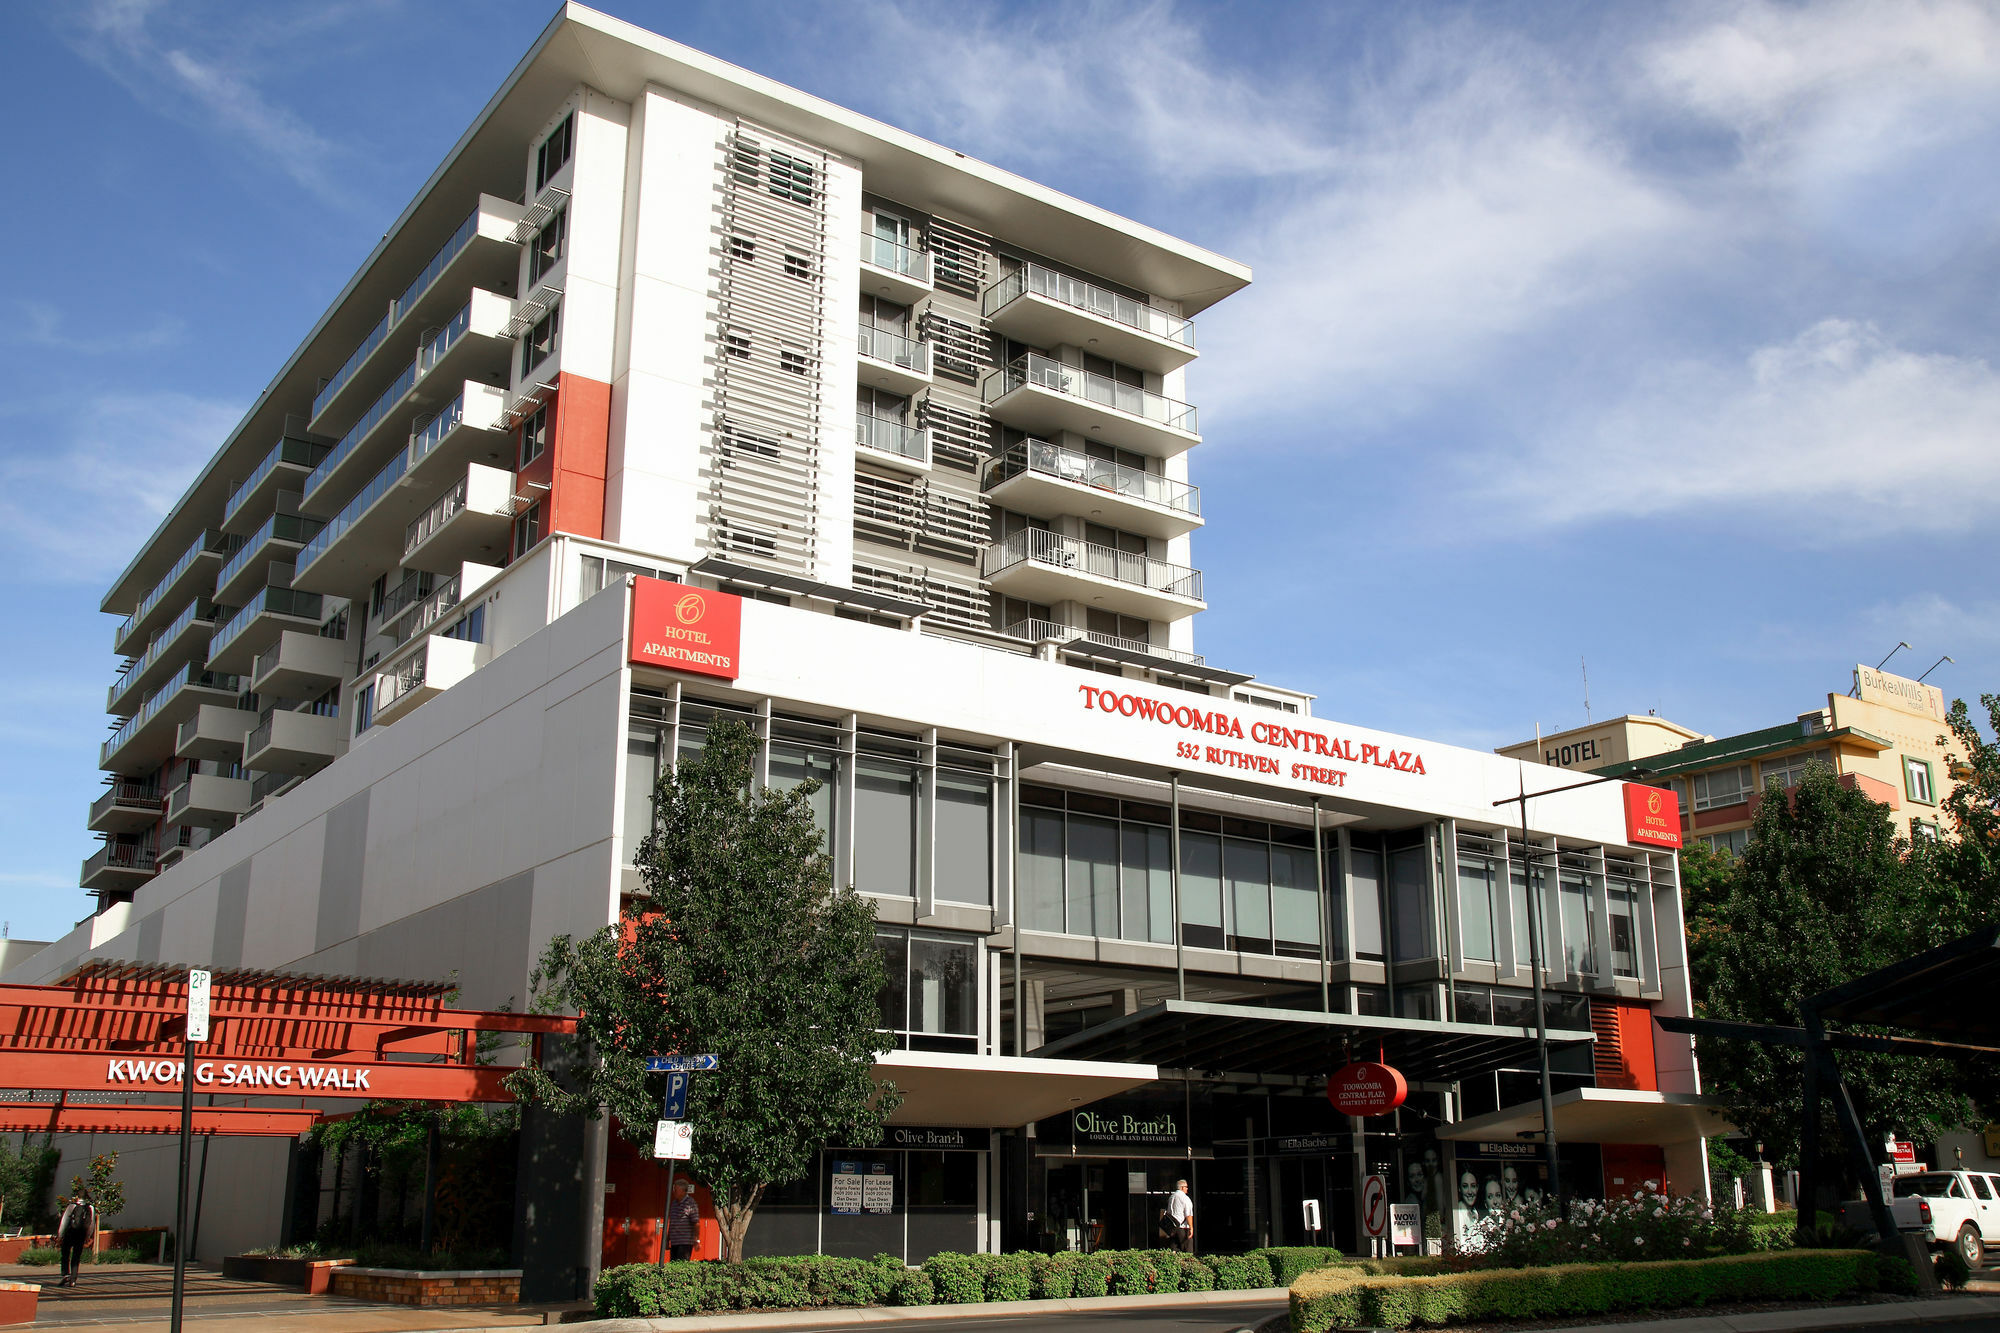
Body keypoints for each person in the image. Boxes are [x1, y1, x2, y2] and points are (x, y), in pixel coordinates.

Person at [57, 1191, 96, 1287]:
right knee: (76, 1256)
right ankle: (73, 1279)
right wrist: (88, 1236)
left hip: (70, 1233)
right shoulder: (90, 1208)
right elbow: (91, 1224)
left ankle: (66, 1274)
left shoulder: (72, 1206)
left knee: (65, 1253)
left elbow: (64, 1221)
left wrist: (60, 1235)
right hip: (81, 1235)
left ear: (77, 1196)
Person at [665, 1178, 701, 1262]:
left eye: (676, 1190)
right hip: (674, 1241)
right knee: (673, 1264)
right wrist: (668, 1240)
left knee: (681, 1263)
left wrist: (697, 1240)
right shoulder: (674, 1204)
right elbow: (672, 1223)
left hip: (685, 1242)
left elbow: (696, 1223)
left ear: (683, 1191)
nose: (674, 1192)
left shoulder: (690, 1203)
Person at [1160, 1179, 1194, 1252]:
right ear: (1182, 1187)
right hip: (1182, 1227)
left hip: (1172, 1227)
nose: (1187, 1188)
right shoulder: (1185, 1198)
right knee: (1187, 1249)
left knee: (1174, 1248)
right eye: (1186, 1187)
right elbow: (1188, 1214)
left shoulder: (1171, 1197)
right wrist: (1191, 1227)